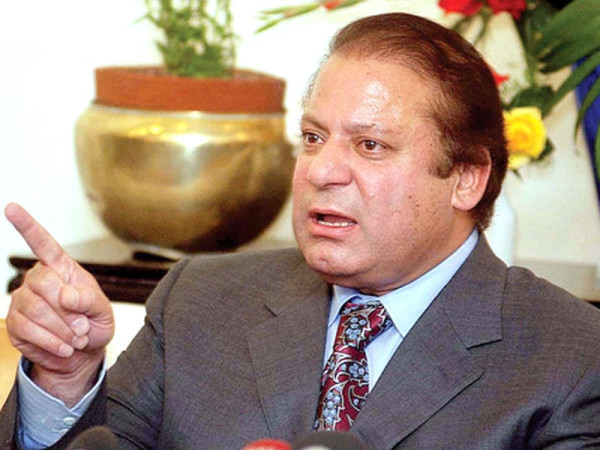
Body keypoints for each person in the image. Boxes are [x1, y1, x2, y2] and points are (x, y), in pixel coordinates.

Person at [2, 12, 600, 449]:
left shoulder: (573, 357)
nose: (320, 170)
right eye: (313, 137)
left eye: (370, 145)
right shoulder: (199, 301)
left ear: (465, 179)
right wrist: (65, 379)